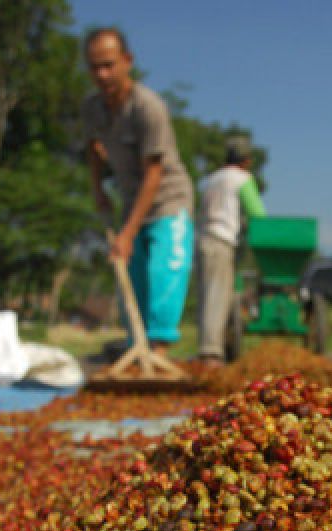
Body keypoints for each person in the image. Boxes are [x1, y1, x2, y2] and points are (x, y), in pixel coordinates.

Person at [81, 27, 194, 356]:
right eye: (94, 67)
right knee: (133, 276)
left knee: (163, 269)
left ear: (126, 61)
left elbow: (154, 173)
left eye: (109, 65)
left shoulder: (148, 107)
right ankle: (137, 346)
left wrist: (127, 233)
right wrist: (97, 188)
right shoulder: (92, 108)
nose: (102, 74)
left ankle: (158, 348)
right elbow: (92, 148)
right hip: (131, 200)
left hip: (167, 199)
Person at [194, 135, 266, 368]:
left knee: (206, 294)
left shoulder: (210, 179)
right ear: (246, 160)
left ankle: (207, 348)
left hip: (202, 238)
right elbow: (257, 214)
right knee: (218, 295)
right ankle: (211, 354)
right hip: (221, 240)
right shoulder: (242, 178)